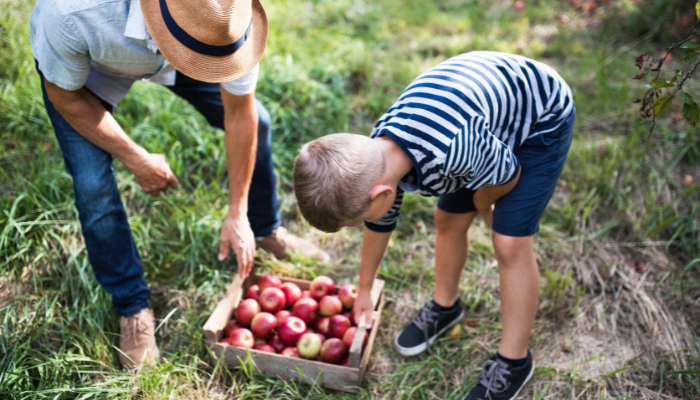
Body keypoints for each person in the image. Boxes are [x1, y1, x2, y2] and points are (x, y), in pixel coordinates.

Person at [30, 0, 329, 370]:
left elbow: (241, 114)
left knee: (260, 122)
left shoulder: (228, 21)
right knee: (93, 185)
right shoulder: (74, 14)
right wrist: (137, 158)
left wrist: (238, 212)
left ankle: (265, 228)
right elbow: (65, 96)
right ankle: (132, 306)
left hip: (180, 47)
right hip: (86, 65)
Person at [293, 51, 574, 399]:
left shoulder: (452, 150)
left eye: (362, 217)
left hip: (538, 117)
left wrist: (484, 202)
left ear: (380, 193)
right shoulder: (374, 157)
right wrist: (364, 289)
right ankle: (446, 306)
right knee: (446, 217)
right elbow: (381, 225)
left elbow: (508, 173)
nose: (368, 222)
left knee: (510, 243)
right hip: (478, 124)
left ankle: (514, 361)